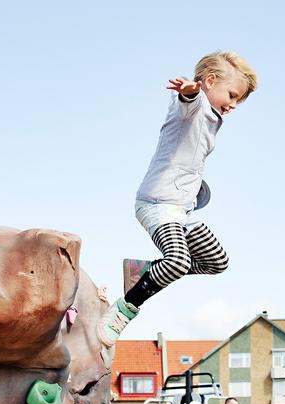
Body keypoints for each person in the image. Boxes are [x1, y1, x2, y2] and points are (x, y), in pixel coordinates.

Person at [98, 52, 258, 346]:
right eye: (232, 95)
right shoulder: (192, 108)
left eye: (239, 100)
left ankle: (145, 271)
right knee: (178, 261)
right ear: (210, 81)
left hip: (181, 209)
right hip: (157, 204)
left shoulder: (211, 119)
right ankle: (123, 310)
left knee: (216, 261)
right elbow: (188, 103)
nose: (234, 105)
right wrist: (189, 92)